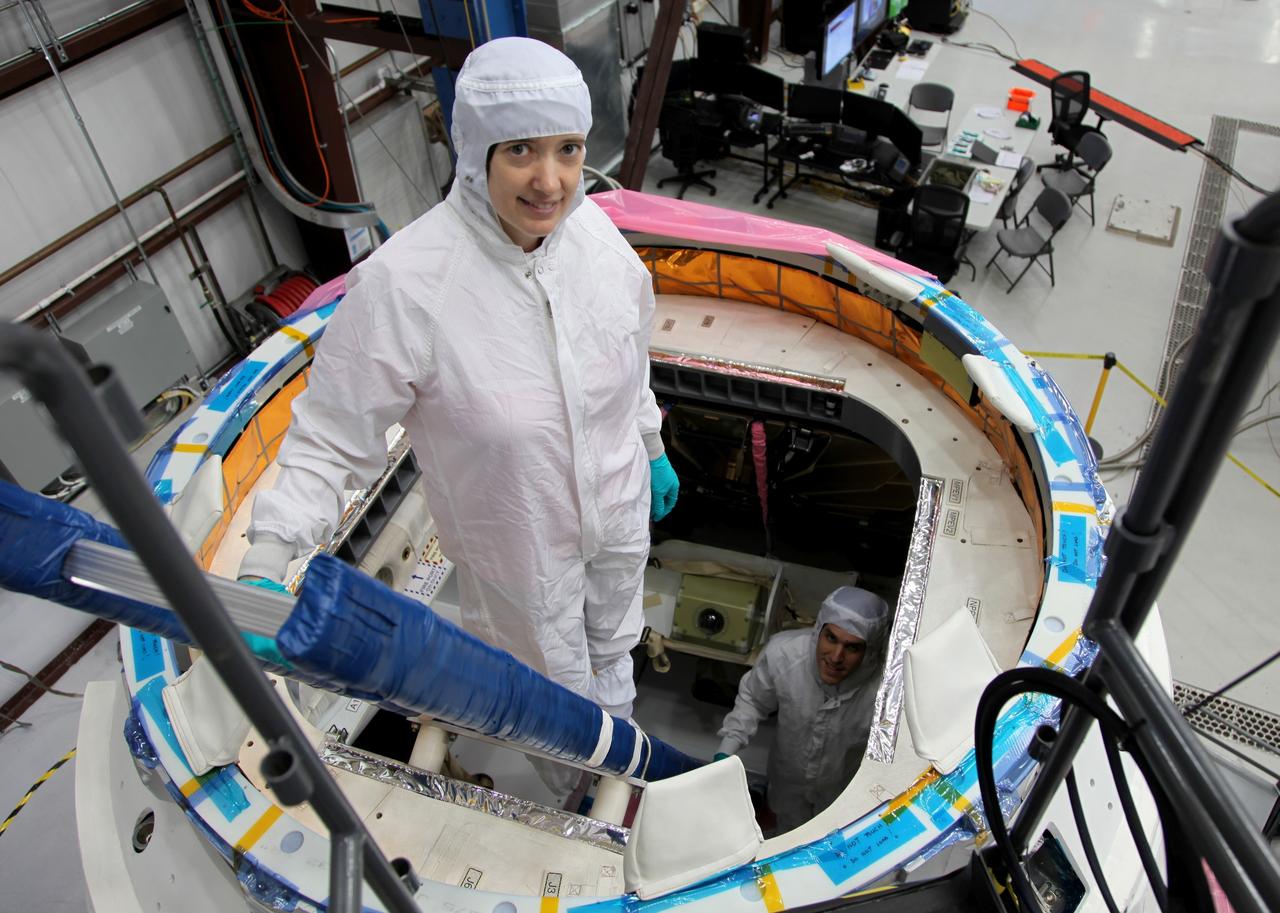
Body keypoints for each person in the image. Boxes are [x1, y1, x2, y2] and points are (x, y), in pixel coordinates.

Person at [238, 37, 678, 729]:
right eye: (520, 150)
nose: (550, 181)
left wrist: (649, 444)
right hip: (521, 557)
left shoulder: (597, 242)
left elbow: (628, 359)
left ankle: (622, 735)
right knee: (552, 707)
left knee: (614, 652)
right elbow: (329, 434)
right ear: (476, 153)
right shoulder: (407, 284)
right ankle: (582, 781)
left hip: (618, 515)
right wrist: (267, 560)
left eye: (567, 149)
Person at [715, 586, 890, 834]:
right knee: (786, 834)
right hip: (786, 782)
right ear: (818, 631)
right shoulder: (784, 655)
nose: (836, 657)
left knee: (832, 841)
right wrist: (726, 751)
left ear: (870, 651)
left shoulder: (886, 689)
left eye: (852, 647)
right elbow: (753, 700)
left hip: (843, 794)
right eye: (831, 638)